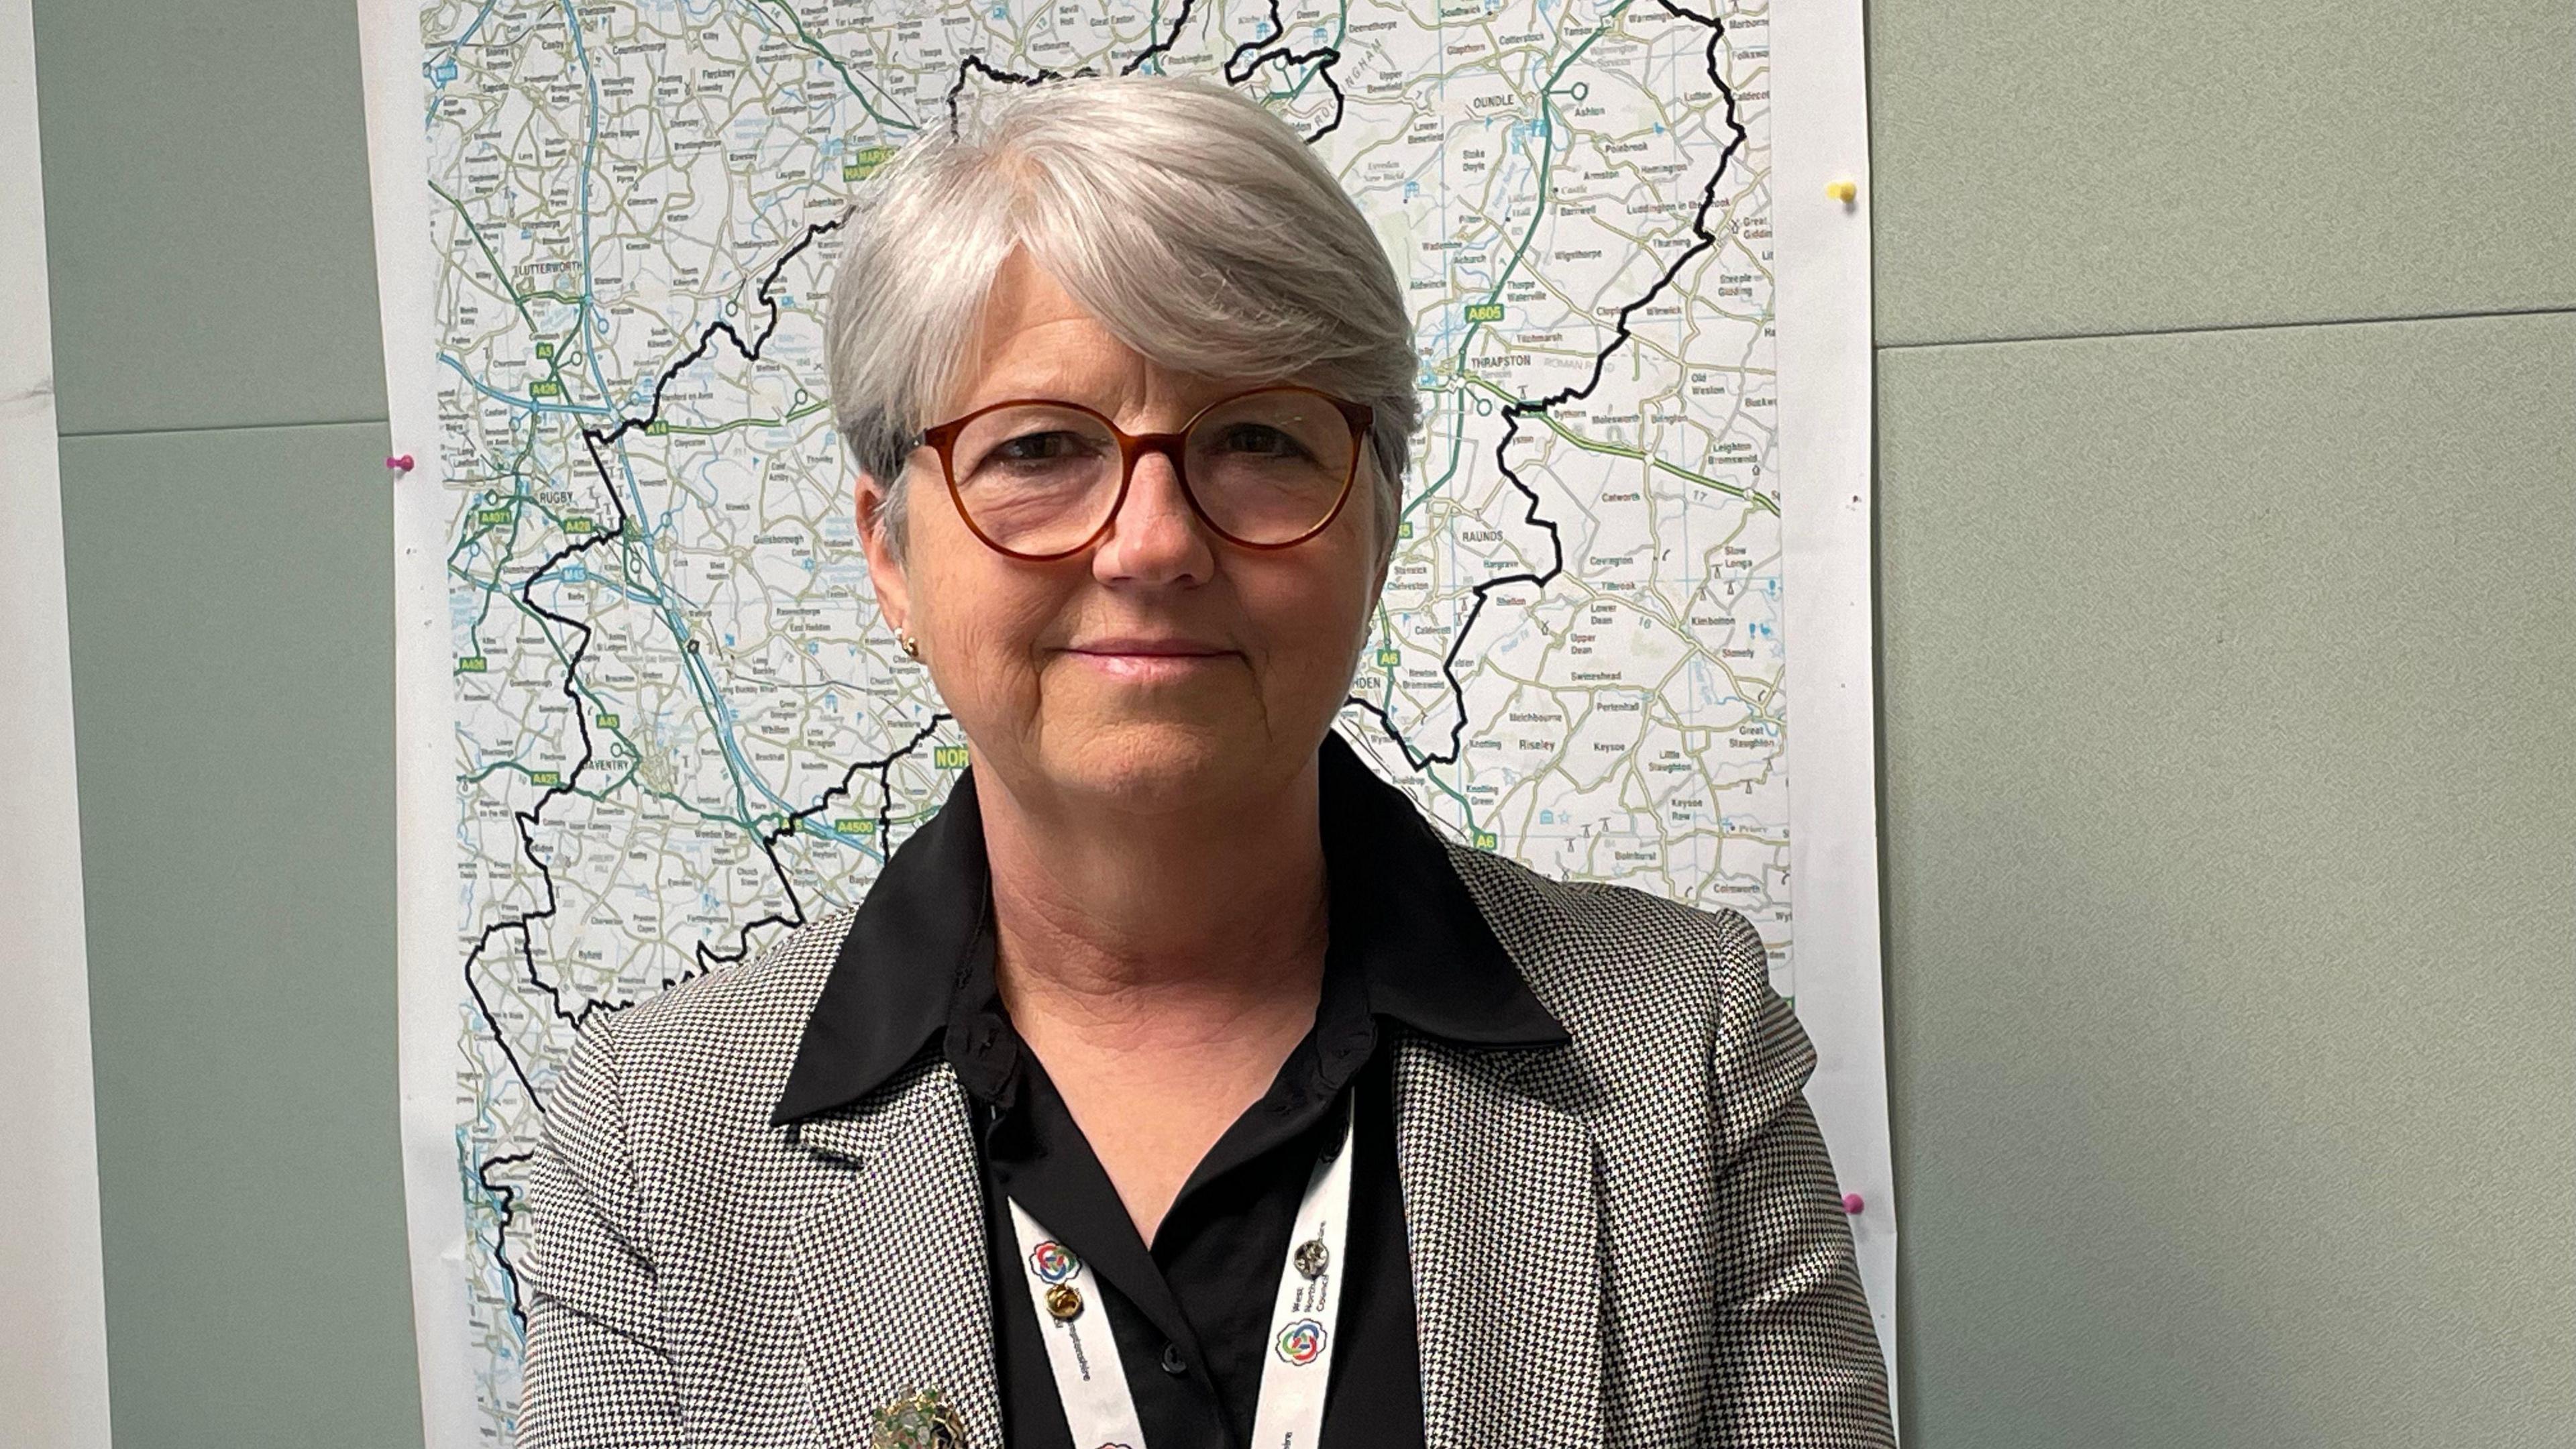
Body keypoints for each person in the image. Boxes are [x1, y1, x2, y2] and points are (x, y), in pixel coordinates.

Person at [519, 72, 1894, 1449]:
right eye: (1043, 448)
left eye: (1256, 440)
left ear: (1378, 526)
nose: (1155, 543)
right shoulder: (655, 1139)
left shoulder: (1682, 1049)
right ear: (892, 553)